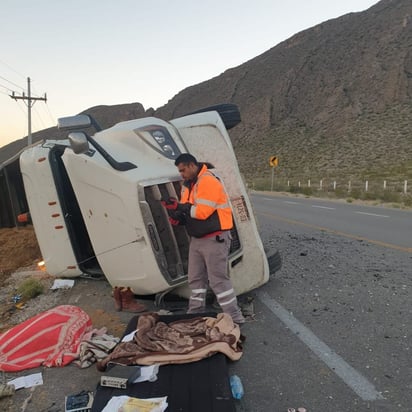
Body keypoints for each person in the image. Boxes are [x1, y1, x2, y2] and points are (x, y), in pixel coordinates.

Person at [161, 153, 245, 324]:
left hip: (215, 239)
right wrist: (177, 215)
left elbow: (202, 212)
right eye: (180, 171)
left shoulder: (208, 181)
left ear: (192, 165)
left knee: (218, 280)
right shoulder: (188, 184)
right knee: (195, 278)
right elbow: (188, 210)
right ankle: (195, 314)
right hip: (198, 239)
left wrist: (180, 207)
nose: (181, 174)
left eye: (183, 170)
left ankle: (235, 318)